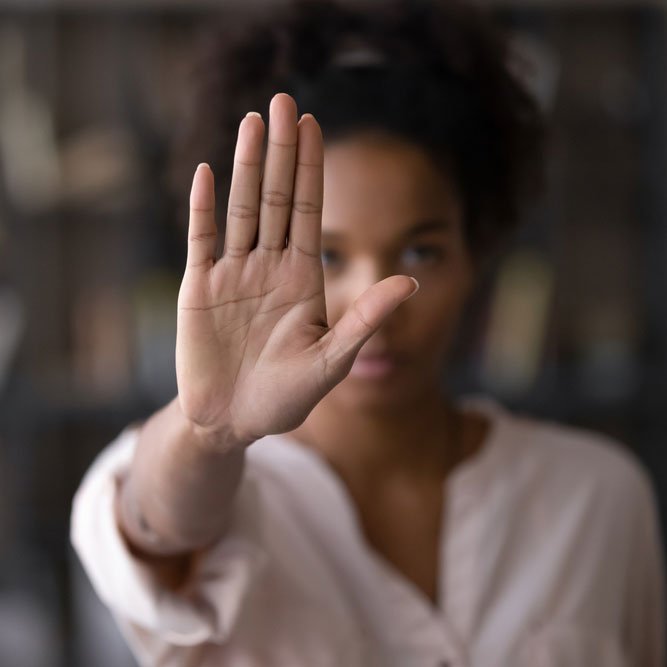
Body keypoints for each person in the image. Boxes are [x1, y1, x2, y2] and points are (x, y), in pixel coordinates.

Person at [71, 1, 664, 665]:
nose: (372, 307)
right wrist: (207, 431)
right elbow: (158, 522)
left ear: (478, 253)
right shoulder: (215, 478)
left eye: (420, 253)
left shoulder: (597, 499)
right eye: (326, 256)